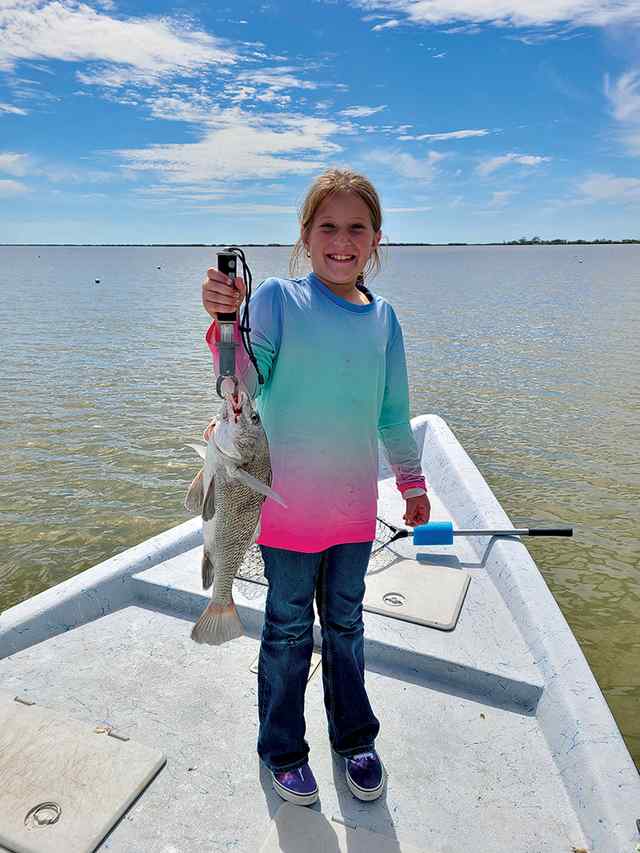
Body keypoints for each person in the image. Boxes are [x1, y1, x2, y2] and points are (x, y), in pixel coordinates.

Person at [201, 167, 430, 807]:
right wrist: (225, 319)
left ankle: (355, 737)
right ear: (306, 235)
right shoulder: (277, 298)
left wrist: (410, 481)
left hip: (356, 513)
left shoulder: (384, 320)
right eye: (327, 226)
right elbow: (242, 379)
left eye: (357, 227)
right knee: (288, 632)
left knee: (349, 629)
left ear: (377, 239)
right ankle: (283, 747)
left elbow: (392, 413)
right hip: (286, 514)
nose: (341, 239)